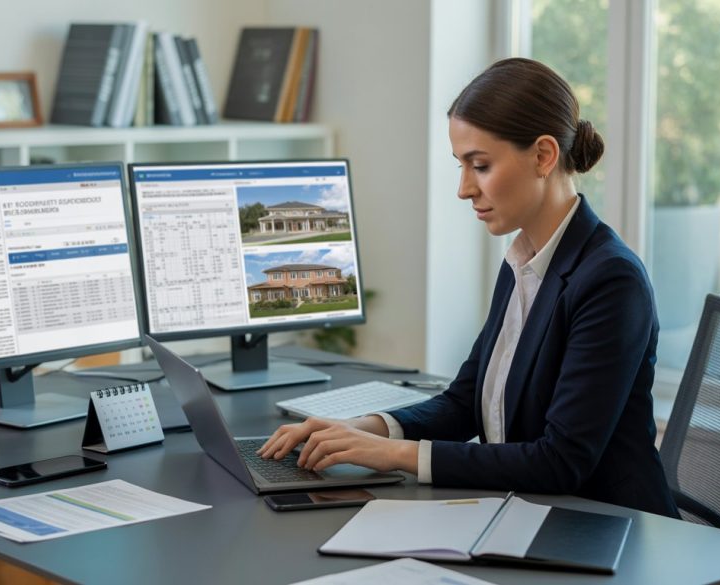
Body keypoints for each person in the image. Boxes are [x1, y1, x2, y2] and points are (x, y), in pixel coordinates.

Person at [258, 58, 679, 518]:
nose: (463, 189)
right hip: (528, 513)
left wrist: (390, 455)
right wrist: (363, 429)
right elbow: (465, 402)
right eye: (462, 165)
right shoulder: (524, 259)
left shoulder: (610, 281)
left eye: (479, 166)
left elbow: (560, 462)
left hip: (604, 531)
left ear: (543, 155)